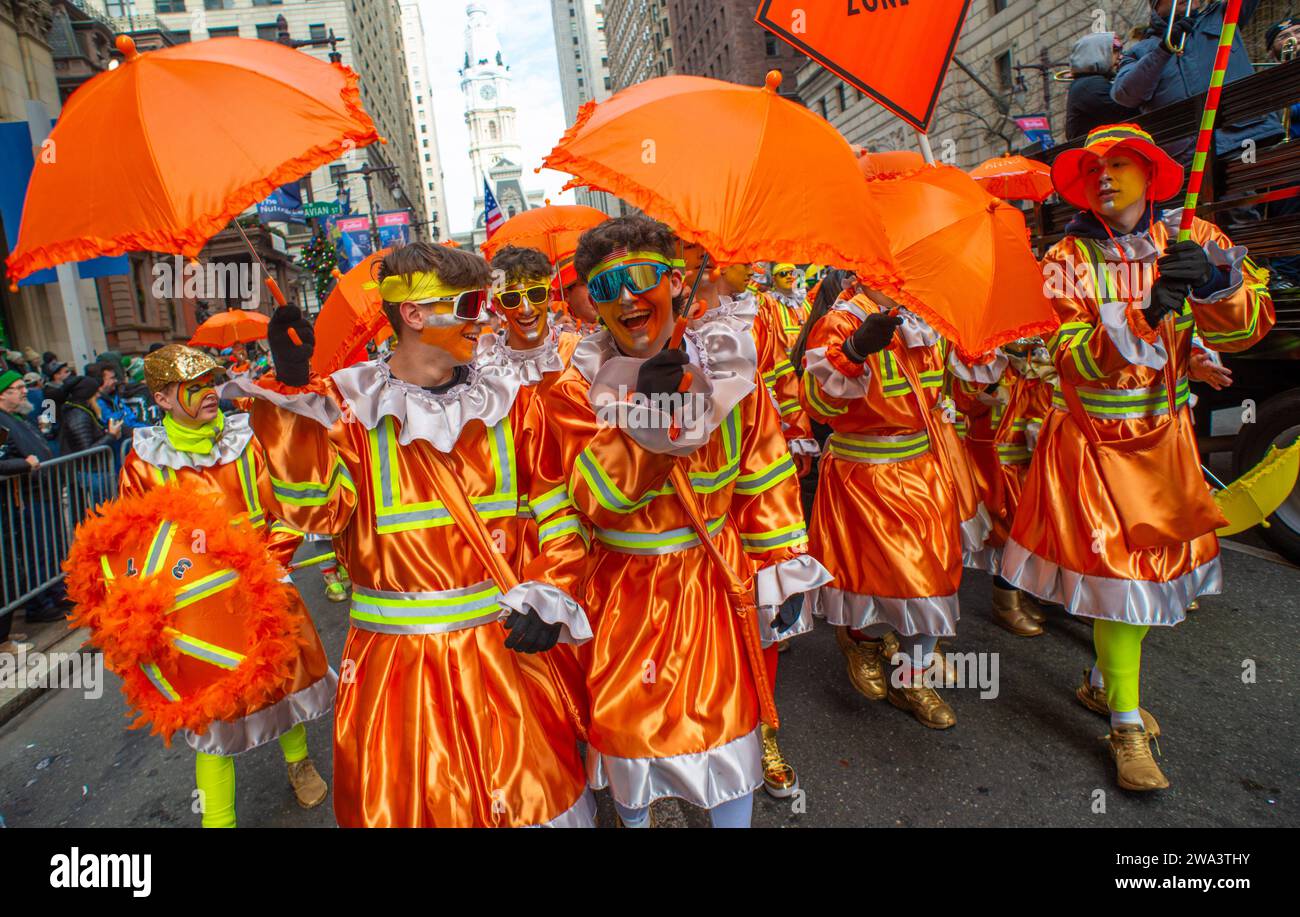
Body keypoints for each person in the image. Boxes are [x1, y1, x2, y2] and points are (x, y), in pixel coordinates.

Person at [230, 241, 595, 827]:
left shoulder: (511, 401)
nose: (488, 316)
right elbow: (312, 512)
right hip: (396, 673)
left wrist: (551, 595)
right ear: (416, 314)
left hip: (503, 653)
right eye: (472, 304)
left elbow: (556, 514)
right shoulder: (344, 408)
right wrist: (293, 395)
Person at [532, 215, 830, 828]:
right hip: (623, 592)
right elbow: (589, 499)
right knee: (628, 737)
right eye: (606, 286)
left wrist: (781, 572)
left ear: (674, 280)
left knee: (725, 735)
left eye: (639, 277)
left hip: (712, 583)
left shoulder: (728, 370)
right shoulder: (572, 389)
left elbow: (762, 478)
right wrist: (649, 418)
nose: (625, 298)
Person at [1002, 123, 1274, 790]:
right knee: (1123, 587)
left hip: (1167, 443)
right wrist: (1146, 311)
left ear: (1151, 172)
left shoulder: (1195, 238)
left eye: (1121, 163)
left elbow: (1249, 325)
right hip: (1093, 446)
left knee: (1152, 581)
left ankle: (1100, 681)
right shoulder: (1064, 258)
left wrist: (1212, 283)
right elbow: (1065, 356)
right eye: (1094, 167)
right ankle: (1124, 725)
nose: (1104, 175)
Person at [116, 344, 334, 827]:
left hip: (264, 590)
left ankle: (298, 762)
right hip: (198, 614)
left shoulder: (246, 441)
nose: (210, 393)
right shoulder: (143, 464)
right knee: (210, 715)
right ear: (163, 399)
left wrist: (269, 565)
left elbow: (286, 511)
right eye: (194, 387)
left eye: (212, 383)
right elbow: (130, 547)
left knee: (282, 684)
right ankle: (218, 820)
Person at [801, 282, 968, 729]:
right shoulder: (838, 322)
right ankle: (862, 641)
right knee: (867, 578)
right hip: (864, 474)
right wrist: (853, 351)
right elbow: (817, 405)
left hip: (925, 468)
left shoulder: (928, 319)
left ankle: (911, 675)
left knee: (936, 576)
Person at [950, 340, 1055, 636]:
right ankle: (1005, 600)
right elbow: (964, 401)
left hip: (1027, 451)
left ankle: (1022, 590)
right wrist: (992, 388)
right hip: (993, 454)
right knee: (1004, 526)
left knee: (1030, 523)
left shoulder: (1037, 351)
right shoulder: (977, 351)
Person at [1112, 1, 1280, 164]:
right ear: (1155, 5)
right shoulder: (1139, 51)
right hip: (1190, 159)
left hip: (1248, 138)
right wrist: (1163, 50)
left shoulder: (1221, 16)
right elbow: (1125, 94)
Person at [0, 369, 61, 651]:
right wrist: (24, 464)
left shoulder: (18, 417)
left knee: (49, 545)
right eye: (17, 387)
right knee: (36, 549)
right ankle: (40, 603)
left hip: (39, 492)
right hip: (22, 498)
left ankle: (53, 594)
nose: (25, 391)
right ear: (3, 394)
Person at [1066, 32, 1139, 140]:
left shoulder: (1087, 83)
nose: (1120, 57)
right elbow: (1127, 112)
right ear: (1096, 54)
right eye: (1114, 51)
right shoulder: (1089, 85)